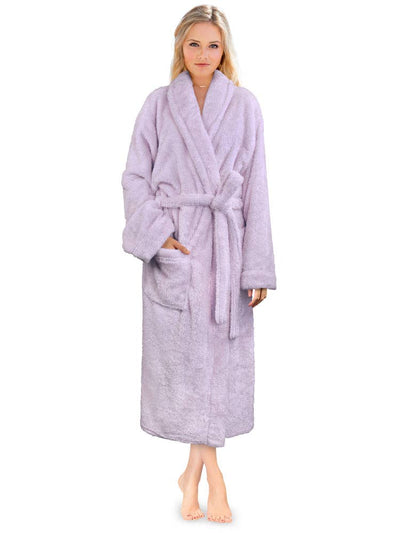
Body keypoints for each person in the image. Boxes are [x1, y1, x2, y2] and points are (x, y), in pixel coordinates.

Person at [120, 5, 277, 523]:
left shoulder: (246, 106)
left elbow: (256, 189)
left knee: (214, 372)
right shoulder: (158, 105)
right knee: (189, 376)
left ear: (224, 49)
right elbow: (135, 176)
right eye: (194, 44)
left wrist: (257, 267)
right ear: (179, 48)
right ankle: (214, 478)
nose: (203, 54)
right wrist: (159, 236)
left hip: (227, 252)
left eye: (213, 45)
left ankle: (195, 476)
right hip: (179, 251)